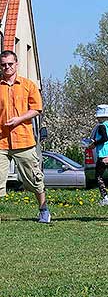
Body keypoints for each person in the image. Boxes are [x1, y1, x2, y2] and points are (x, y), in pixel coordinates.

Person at [0, 50, 51, 223]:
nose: (7, 67)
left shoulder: (28, 85)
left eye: (10, 64)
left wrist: (19, 119)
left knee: (34, 179)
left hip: (24, 140)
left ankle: (43, 208)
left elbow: (37, 109)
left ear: (16, 64)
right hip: (1, 141)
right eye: (4, 65)